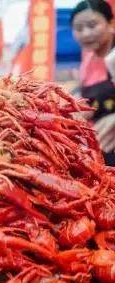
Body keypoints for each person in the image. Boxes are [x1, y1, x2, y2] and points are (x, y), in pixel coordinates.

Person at [71, 0, 115, 165]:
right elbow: (88, 100)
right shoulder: (88, 59)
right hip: (100, 149)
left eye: (92, 25)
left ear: (111, 23)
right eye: (79, 28)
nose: (86, 33)